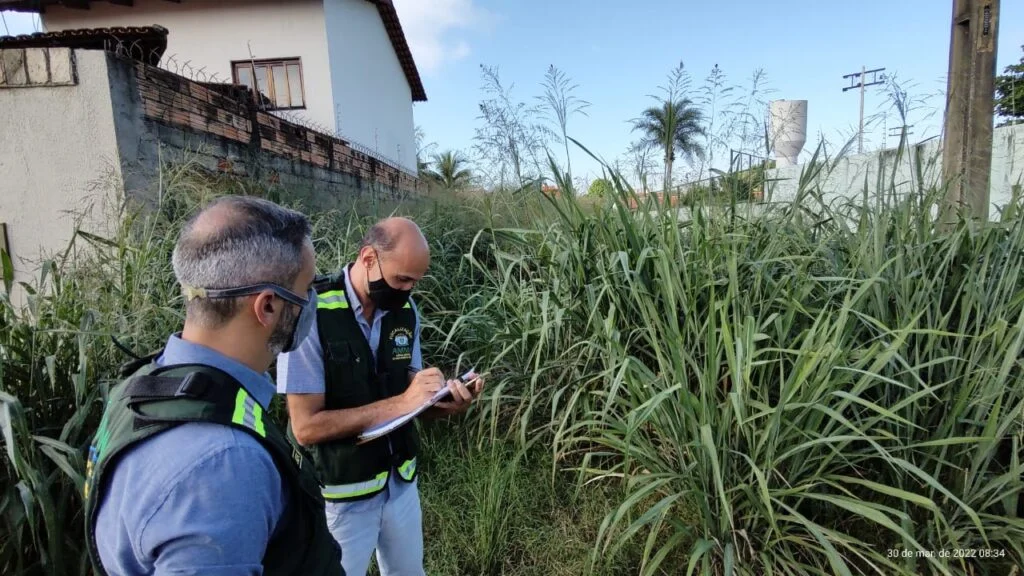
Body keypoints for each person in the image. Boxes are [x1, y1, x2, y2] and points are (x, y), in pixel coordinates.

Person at [82, 195, 344, 576]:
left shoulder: (146, 386)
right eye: (306, 291)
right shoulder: (223, 465)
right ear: (268, 306)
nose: (312, 304)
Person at [277, 216, 484, 576]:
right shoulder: (310, 313)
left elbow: (410, 393)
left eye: (415, 282)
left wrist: (441, 400)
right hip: (341, 498)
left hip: (400, 484)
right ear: (368, 258)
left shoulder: (405, 311)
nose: (407, 291)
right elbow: (306, 427)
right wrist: (401, 403)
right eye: (401, 279)